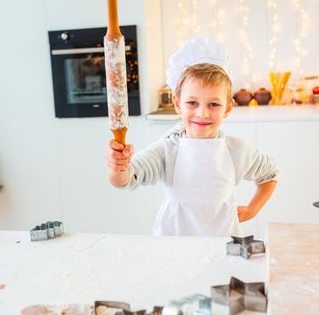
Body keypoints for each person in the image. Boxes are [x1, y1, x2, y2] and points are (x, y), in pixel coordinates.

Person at [106, 37, 279, 237]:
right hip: (174, 249)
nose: (202, 113)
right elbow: (124, 179)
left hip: (222, 248)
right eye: (192, 103)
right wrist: (118, 166)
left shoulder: (236, 150)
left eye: (213, 104)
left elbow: (271, 174)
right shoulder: (167, 149)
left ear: (228, 108)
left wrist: (252, 209)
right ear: (178, 104)